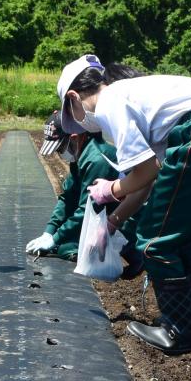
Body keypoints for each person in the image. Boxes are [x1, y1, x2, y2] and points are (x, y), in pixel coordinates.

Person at [56, 54, 191, 354]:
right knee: (184, 232)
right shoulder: (137, 94)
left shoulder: (110, 102)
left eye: (74, 114)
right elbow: (149, 178)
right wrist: (113, 221)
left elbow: (144, 173)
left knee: (154, 239)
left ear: (74, 97)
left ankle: (177, 331)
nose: (81, 124)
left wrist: (111, 189)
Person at [26, 109, 144, 278]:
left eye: (60, 147)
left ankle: (136, 252)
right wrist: (49, 231)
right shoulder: (80, 153)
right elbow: (69, 197)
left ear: (74, 137)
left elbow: (87, 208)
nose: (60, 154)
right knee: (65, 245)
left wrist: (55, 239)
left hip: (129, 218)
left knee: (69, 247)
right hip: (107, 212)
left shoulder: (97, 159)